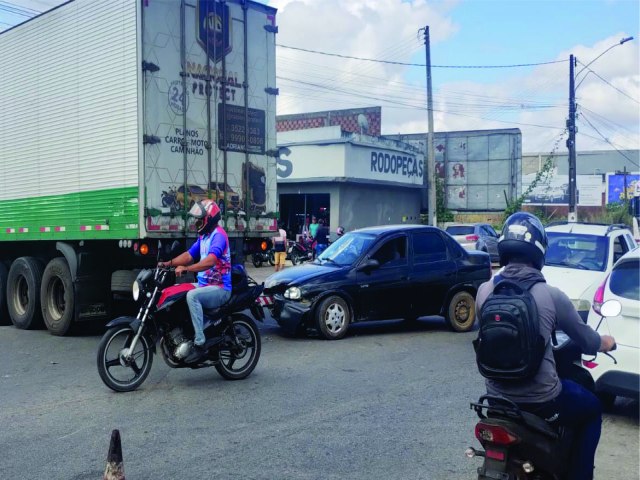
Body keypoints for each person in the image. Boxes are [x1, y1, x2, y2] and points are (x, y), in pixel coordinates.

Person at [475, 212, 616, 480]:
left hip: (496, 401)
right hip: (542, 401)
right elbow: (586, 339)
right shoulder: (551, 296)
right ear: (539, 251)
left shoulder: (484, 292)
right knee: (591, 409)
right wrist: (606, 342)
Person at [159, 200, 232, 363]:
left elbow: (211, 261)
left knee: (192, 296)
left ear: (209, 219)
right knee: (175, 291)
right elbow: (189, 255)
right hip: (205, 285)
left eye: (199, 219)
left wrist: (187, 269)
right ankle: (185, 333)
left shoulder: (219, 236)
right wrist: (168, 263)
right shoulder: (204, 237)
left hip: (220, 288)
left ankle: (199, 343)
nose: (196, 223)